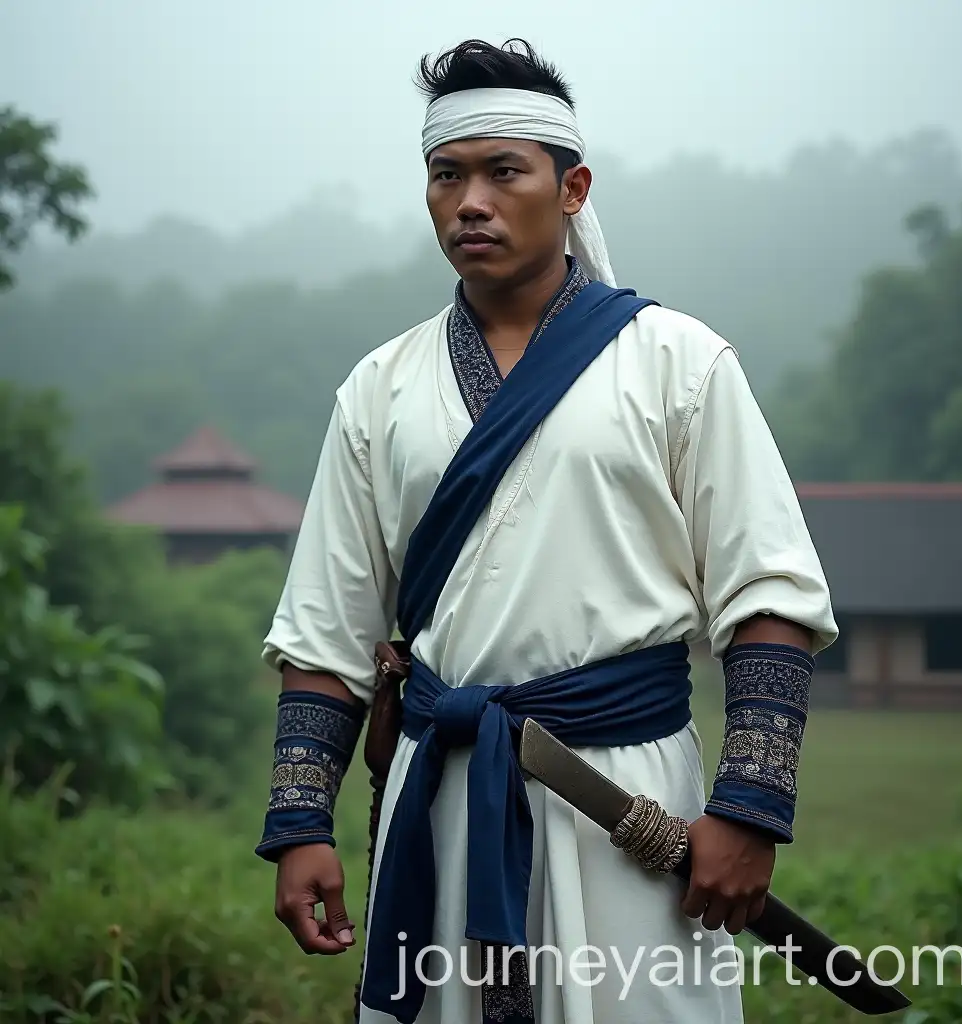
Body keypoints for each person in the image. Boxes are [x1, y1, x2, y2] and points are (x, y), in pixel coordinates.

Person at [254, 37, 838, 1024]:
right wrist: (300, 822)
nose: (469, 200)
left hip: (626, 799)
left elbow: (769, 598)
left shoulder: (677, 364)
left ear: (572, 188)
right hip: (436, 798)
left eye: (502, 171)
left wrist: (748, 807)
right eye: (446, 174)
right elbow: (327, 634)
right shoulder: (380, 390)